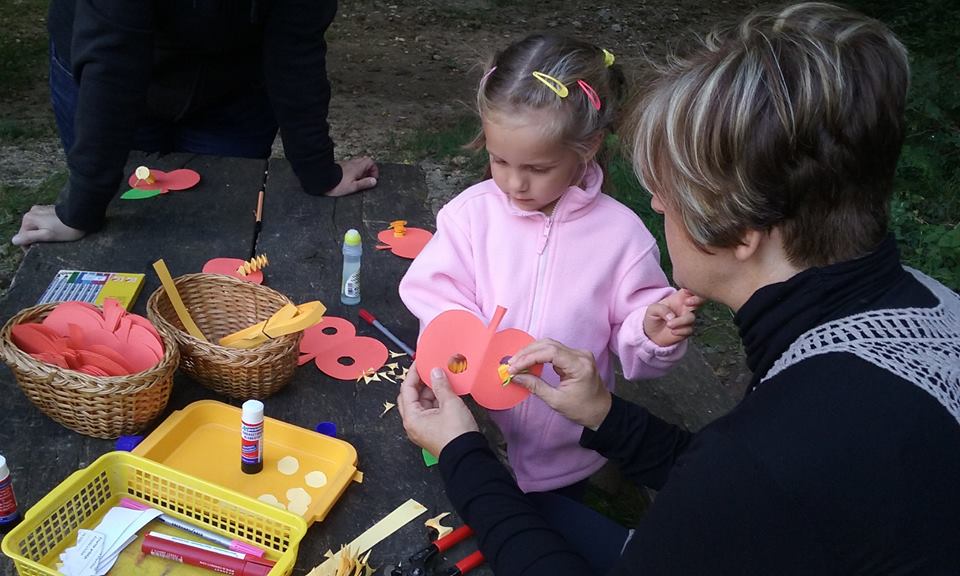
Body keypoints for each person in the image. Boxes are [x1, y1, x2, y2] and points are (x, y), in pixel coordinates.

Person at [397, 3, 960, 574]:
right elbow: (727, 480)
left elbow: (737, 478)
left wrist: (463, 455)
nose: (657, 204)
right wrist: (606, 415)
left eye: (669, 191)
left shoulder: (768, 452)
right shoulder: (934, 313)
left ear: (743, 231)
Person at [398, 34, 701, 497]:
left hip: (567, 448)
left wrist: (651, 332)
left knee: (557, 527)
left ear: (588, 147)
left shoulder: (622, 237)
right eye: (499, 160)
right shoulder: (471, 215)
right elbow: (432, 288)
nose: (515, 183)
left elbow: (632, 332)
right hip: (471, 427)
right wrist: (462, 337)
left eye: (537, 168)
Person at [11, 0, 378, 247]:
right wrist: (81, 210)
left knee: (217, 239)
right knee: (116, 235)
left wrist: (319, 171)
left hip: (232, 85)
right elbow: (113, 62)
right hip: (104, 67)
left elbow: (296, 46)